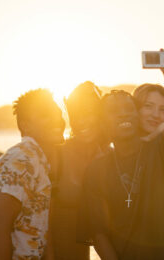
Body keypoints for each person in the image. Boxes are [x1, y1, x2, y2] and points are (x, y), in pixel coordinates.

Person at [78, 49, 164, 259]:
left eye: (128, 109)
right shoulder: (96, 169)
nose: (123, 114)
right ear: (103, 122)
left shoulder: (163, 149)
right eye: (114, 111)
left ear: (136, 116)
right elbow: (99, 233)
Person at [0, 89, 65, 259]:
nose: (57, 120)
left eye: (58, 113)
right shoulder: (22, 160)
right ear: (25, 125)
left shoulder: (37, 161)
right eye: (46, 115)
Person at [51, 81, 104, 260]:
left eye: (88, 113)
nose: (81, 121)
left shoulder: (109, 158)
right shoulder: (56, 155)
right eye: (76, 114)